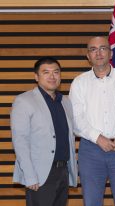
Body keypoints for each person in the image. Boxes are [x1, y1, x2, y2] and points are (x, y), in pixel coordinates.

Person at [69, 36, 115, 205]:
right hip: (91, 150)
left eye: (103, 48)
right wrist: (98, 138)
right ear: (88, 56)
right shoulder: (79, 82)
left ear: (110, 53)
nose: (98, 53)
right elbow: (76, 118)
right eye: (93, 49)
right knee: (92, 201)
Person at [11, 57, 78, 206]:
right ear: (36, 77)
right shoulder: (24, 100)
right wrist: (30, 176)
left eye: (56, 72)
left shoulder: (65, 101)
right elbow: (20, 141)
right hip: (40, 174)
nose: (52, 76)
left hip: (63, 172)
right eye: (46, 72)